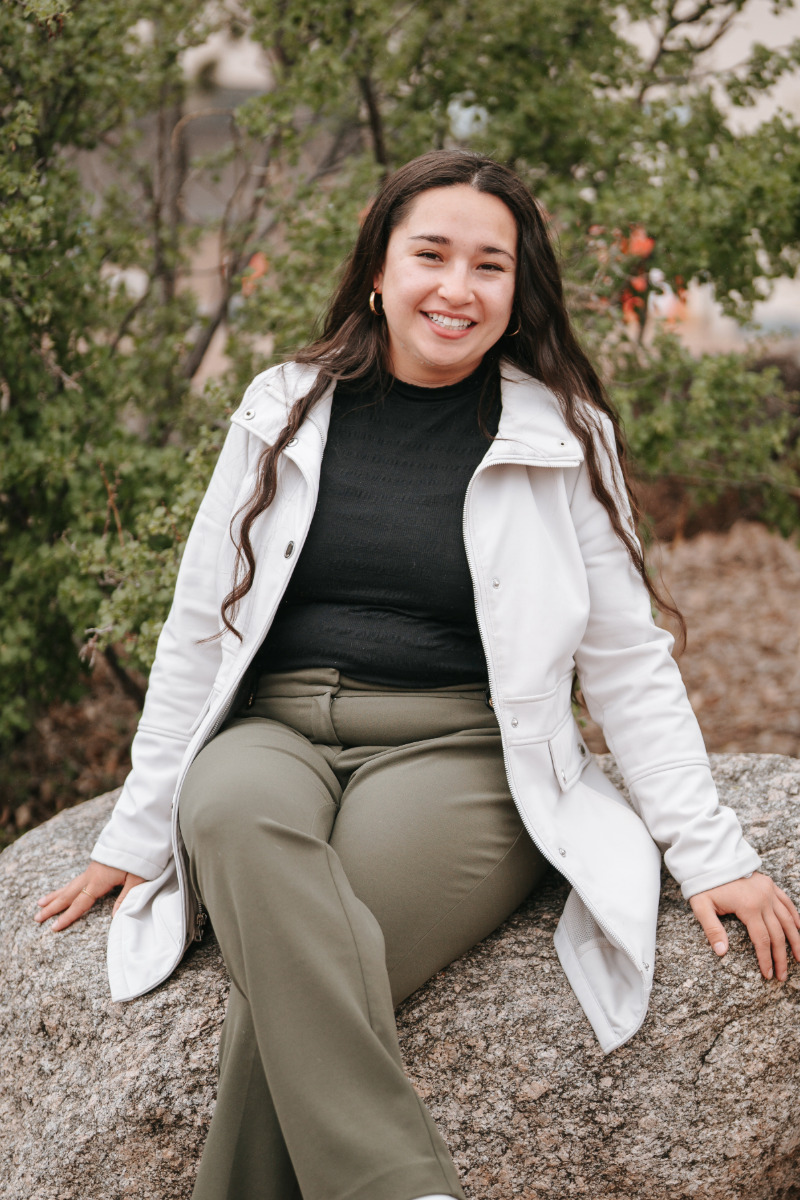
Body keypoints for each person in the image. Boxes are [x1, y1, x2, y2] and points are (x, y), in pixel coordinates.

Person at [35, 150, 799, 1200]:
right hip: (276, 730)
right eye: (430, 254)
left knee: (304, 972)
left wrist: (709, 854)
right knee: (235, 819)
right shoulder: (282, 404)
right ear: (377, 272)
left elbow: (625, 658)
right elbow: (199, 627)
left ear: (515, 292)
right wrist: (134, 831)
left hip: (459, 748)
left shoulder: (562, 435)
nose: (457, 287)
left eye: (489, 265)